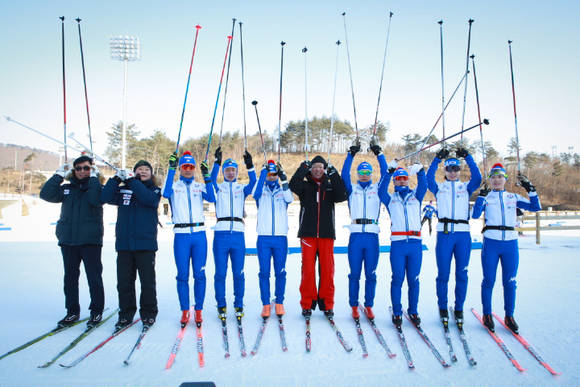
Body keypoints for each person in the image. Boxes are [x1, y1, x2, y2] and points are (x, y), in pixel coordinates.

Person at [472, 163, 541, 333]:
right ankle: (487, 314)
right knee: (489, 280)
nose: (496, 180)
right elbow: (474, 215)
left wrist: (529, 188)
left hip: (510, 243)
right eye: (493, 177)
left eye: (500, 177)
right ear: (490, 180)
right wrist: (481, 197)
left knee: (510, 282)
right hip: (491, 242)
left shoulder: (513, 197)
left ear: (505, 179)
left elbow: (535, 206)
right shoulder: (487, 197)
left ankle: (509, 315)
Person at [40, 155, 104, 329]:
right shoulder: (67, 188)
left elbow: (95, 200)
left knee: (94, 278)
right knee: (70, 279)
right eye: (78, 168)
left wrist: (94, 179)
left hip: (90, 241)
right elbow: (45, 194)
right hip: (68, 240)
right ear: (73, 171)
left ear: (91, 169)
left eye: (86, 168)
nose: (82, 171)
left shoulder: (96, 187)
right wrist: (58, 175)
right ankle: (72, 311)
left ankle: (96, 311)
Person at [102, 160, 161, 331]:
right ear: (133, 172)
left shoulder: (154, 190)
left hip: (146, 244)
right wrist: (115, 179)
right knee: (124, 283)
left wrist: (132, 181)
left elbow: (147, 199)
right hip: (124, 245)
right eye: (139, 169)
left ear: (151, 173)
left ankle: (149, 314)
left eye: (146, 169)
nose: (143, 171)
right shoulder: (124, 190)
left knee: (147, 283)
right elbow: (104, 197)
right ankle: (125, 315)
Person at [427, 147, 482, 326]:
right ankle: (442, 306)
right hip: (444, 234)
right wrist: (436, 159)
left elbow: (478, 178)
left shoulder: (465, 187)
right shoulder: (439, 188)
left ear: (459, 171)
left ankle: (459, 308)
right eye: (449, 169)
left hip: (463, 235)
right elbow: (428, 178)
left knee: (462, 274)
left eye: (455, 169)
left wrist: (468, 157)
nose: (452, 172)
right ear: (445, 171)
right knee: (443, 273)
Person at [289, 155, 347, 318]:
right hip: (307, 234)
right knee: (308, 270)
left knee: (327, 270)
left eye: (320, 167)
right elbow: (293, 185)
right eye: (314, 167)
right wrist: (302, 168)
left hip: (327, 234)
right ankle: (307, 304)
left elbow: (342, 195)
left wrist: (334, 174)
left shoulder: (330, 186)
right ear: (310, 169)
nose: (317, 169)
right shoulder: (305, 186)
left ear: (324, 169)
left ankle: (327, 304)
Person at [162, 151, 216, 327]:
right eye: (185, 167)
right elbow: (165, 193)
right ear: (180, 168)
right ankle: (185, 310)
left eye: (191, 167)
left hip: (199, 235)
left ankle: (198, 310)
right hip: (182, 236)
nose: (188, 170)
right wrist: (170, 169)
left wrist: (207, 175)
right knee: (183, 275)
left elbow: (212, 197)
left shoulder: (199, 186)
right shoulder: (174, 186)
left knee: (200, 274)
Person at [341, 141, 387, 320]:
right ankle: (353, 305)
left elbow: (385, 174)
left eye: (368, 172)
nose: (365, 175)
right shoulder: (352, 189)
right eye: (362, 172)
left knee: (371, 274)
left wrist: (379, 154)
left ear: (371, 174)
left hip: (372, 236)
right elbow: (344, 173)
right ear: (358, 174)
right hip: (356, 236)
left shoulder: (378, 189)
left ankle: (368, 305)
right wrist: (351, 155)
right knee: (354, 274)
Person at [210, 147, 256, 321]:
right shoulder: (218, 188)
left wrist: (250, 166)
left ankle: (239, 303)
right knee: (220, 273)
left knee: (239, 272)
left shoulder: (241, 189)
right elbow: (211, 180)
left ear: (237, 172)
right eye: (227, 170)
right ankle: (221, 303)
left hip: (238, 234)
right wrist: (216, 163)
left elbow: (253, 183)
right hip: (221, 234)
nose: (230, 173)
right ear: (224, 172)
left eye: (233, 170)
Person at [379, 162, 427, 328]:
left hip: (415, 244)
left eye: (404, 178)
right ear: (394, 181)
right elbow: (380, 190)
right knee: (398, 279)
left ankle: (413, 310)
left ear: (408, 180)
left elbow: (424, 184)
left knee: (414, 279)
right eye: (398, 179)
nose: (401, 181)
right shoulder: (390, 199)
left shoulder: (416, 196)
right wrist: (388, 172)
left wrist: (420, 171)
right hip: (398, 244)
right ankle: (397, 311)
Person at [253, 160, 293, 318]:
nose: (271, 176)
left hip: (280, 238)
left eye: (274, 173)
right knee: (264, 272)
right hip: (263, 238)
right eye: (269, 173)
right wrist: (263, 173)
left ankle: (279, 302)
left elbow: (290, 199)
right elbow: (254, 193)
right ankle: (265, 304)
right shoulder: (260, 189)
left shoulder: (283, 190)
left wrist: (284, 178)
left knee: (280, 272)